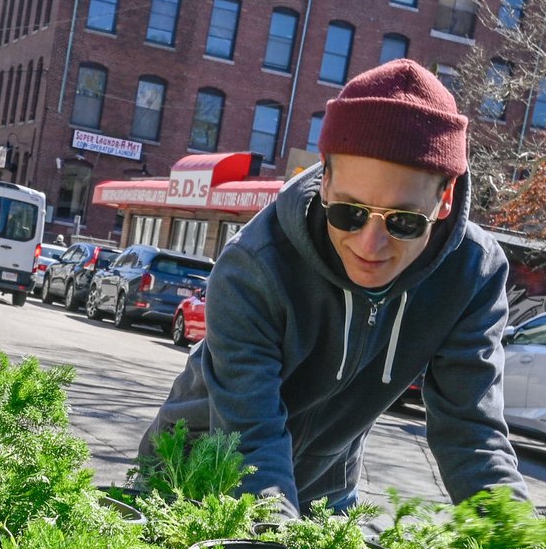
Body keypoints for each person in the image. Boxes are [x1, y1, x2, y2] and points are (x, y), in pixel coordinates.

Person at [142, 58, 525, 514]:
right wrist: (276, 544)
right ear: (325, 181)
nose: (371, 244)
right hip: (196, 476)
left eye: (403, 221)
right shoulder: (255, 266)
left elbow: (472, 431)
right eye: (350, 212)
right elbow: (250, 437)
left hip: (328, 494)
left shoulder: (472, 276)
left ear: (444, 199)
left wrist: (518, 543)